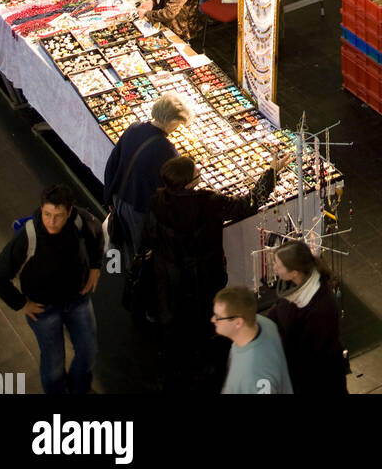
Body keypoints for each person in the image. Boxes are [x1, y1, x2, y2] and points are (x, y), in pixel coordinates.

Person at [143, 157, 255, 391]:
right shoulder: (209, 201)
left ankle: (178, 369)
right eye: (196, 171)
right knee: (205, 321)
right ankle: (204, 369)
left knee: (177, 323)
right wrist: (271, 174)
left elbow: (148, 237)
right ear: (187, 183)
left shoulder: (157, 201)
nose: (200, 171)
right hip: (203, 276)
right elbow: (247, 205)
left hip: (169, 278)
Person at [0, 182, 103, 395]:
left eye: (58, 215)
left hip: (78, 299)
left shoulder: (80, 219)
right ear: (41, 209)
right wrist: (22, 303)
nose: (51, 222)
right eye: (47, 214)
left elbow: (96, 233)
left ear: (69, 211)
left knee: (88, 351)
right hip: (43, 308)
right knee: (53, 363)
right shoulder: (27, 236)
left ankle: (79, 388)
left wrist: (96, 266)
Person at [102, 95, 190, 261]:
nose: (177, 128)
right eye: (178, 124)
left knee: (123, 240)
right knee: (141, 252)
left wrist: (108, 198)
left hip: (118, 197)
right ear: (171, 122)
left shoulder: (134, 128)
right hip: (138, 209)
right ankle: (136, 279)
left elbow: (111, 165)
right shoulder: (166, 150)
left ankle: (125, 270)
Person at [267, 242, 347, 395]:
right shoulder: (291, 285)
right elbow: (278, 312)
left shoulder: (321, 307)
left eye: (278, 265)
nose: (274, 268)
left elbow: (308, 355)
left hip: (319, 380)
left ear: (294, 272)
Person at [215, 285, 292, 395]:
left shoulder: (255, 374)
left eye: (218, 317)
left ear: (238, 322)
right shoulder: (262, 323)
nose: (213, 320)